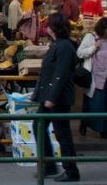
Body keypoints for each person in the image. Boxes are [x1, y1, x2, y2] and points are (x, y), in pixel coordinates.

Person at [32, 13, 80, 182]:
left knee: (62, 133)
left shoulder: (64, 47)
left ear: (54, 28)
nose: (46, 28)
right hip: (51, 95)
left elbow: (60, 73)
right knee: (40, 126)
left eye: (49, 25)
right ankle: (50, 165)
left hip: (57, 97)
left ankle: (70, 170)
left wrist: (51, 97)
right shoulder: (59, 45)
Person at [76, 17, 107, 140]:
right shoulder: (90, 37)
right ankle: (92, 125)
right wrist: (94, 48)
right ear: (103, 28)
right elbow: (80, 53)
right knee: (96, 104)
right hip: (96, 77)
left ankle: (106, 129)